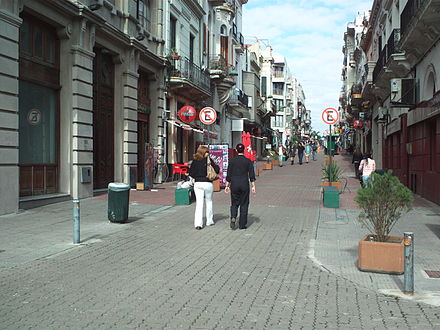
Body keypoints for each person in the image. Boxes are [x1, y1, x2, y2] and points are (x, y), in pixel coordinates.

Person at [224, 143, 256, 230]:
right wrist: (253, 186)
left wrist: (227, 185)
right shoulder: (248, 161)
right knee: (244, 203)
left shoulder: (232, 161)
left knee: (234, 203)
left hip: (234, 184)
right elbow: (251, 175)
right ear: (244, 150)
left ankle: (233, 216)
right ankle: (242, 224)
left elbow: (229, 174)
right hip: (244, 183)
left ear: (236, 150)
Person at [188, 145, 220, 230]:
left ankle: (198, 224)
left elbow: (191, 173)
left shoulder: (195, 161)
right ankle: (209, 221)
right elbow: (217, 169)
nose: (208, 153)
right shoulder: (209, 160)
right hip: (208, 183)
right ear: (203, 152)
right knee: (209, 202)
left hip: (198, 184)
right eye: (207, 152)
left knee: (199, 203)